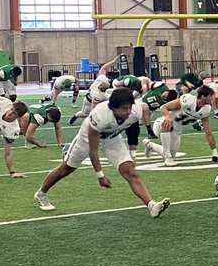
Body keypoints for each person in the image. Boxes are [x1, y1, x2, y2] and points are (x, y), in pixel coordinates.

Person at [34, 88, 170, 217]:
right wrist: (100, 175)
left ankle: (151, 205)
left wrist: (132, 154)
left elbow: (133, 129)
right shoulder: (100, 115)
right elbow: (93, 151)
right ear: (113, 107)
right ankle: (41, 193)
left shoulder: (134, 111)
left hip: (112, 138)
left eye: (129, 107)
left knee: (130, 171)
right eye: (124, 108)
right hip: (87, 138)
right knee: (66, 169)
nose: (128, 111)